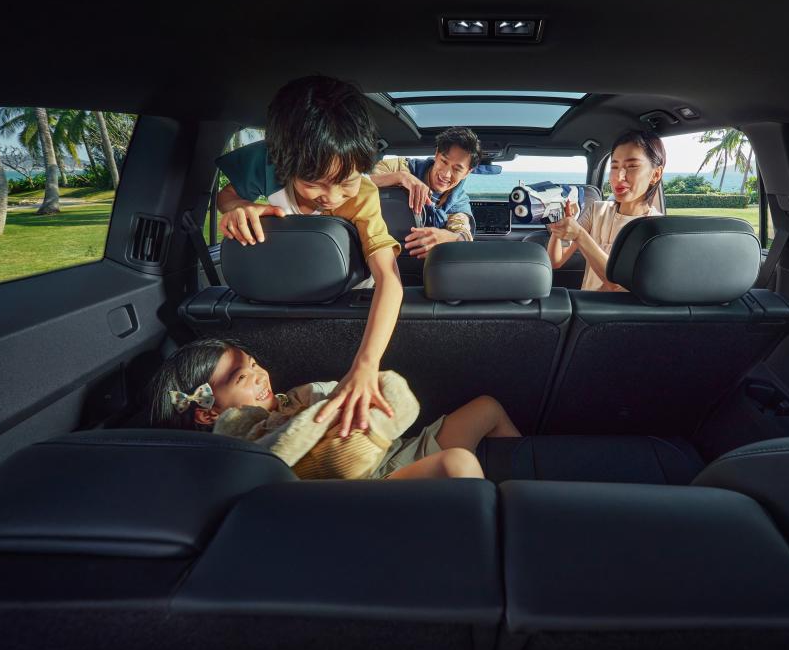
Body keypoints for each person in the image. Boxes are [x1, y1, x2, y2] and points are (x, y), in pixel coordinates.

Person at [213, 75, 402, 437]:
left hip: (348, 307)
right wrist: (238, 208)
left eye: (346, 181)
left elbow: (389, 280)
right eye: (314, 183)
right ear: (283, 161)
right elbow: (226, 196)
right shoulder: (264, 164)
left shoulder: (363, 197)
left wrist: (365, 365)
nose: (331, 197)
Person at [149, 339, 522, 480]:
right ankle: (484, 546)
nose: (259, 375)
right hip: (364, 482)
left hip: (391, 450)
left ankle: (522, 493)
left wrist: (332, 394)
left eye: (253, 363)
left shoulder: (289, 400)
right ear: (208, 413)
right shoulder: (242, 447)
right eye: (241, 377)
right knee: (458, 463)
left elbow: (332, 396)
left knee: (486, 408)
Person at [546, 129, 665, 291]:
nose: (619, 176)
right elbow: (555, 261)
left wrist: (580, 235)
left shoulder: (656, 228)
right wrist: (559, 225)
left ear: (656, 174)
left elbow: (616, 284)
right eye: (614, 167)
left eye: (632, 166)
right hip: (586, 305)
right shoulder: (597, 211)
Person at [370, 127, 480, 259]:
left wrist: (449, 237)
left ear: (467, 172)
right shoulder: (400, 167)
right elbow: (357, 183)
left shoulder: (458, 201)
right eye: (444, 161)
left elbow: (464, 235)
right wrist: (399, 177)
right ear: (436, 154)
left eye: (457, 169)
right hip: (378, 251)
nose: (446, 174)